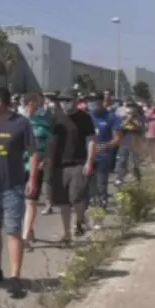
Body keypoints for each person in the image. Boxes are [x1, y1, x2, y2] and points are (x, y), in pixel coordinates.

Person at [0, 85, 38, 299]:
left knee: (13, 230)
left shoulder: (21, 123)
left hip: (12, 186)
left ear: (1, 100)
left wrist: (32, 178)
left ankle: (15, 277)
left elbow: (33, 152)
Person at [45, 90, 96, 243]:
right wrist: (47, 160)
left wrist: (89, 161)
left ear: (75, 100)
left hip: (78, 163)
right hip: (59, 165)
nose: (64, 103)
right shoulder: (55, 118)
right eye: (62, 100)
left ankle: (80, 220)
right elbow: (49, 141)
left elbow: (91, 140)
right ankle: (67, 234)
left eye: (68, 99)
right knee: (63, 202)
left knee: (76, 197)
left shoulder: (84, 118)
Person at [20, 93, 51, 251]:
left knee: (30, 201)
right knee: (20, 203)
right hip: (17, 166)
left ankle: (25, 237)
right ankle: (29, 228)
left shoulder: (44, 124)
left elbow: (51, 144)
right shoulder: (17, 122)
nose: (32, 108)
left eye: (36, 105)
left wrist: (46, 159)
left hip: (35, 167)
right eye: (29, 104)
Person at [89, 93, 122, 210]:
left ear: (101, 101)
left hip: (103, 157)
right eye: (90, 100)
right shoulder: (86, 117)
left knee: (101, 185)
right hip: (87, 158)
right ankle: (90, 210)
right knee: (88, 188)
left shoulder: (111, 117)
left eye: (94, 100)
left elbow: (117, 139)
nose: (92, 103)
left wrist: (106, 145)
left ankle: (101, 209)